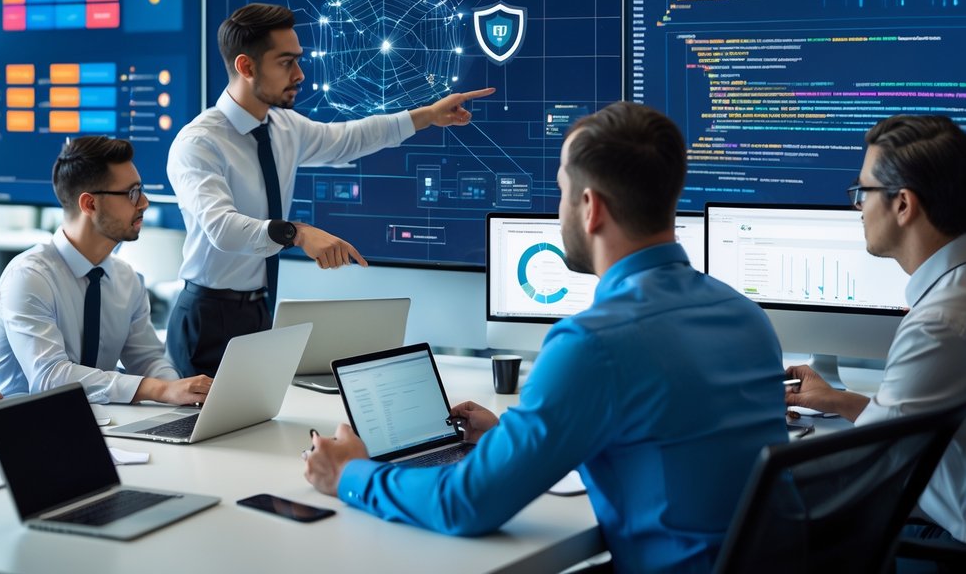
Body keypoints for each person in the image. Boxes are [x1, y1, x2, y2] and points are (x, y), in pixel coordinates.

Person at [302, 102, 787, 573]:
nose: (558, 212)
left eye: (560, 192)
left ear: (591, 207)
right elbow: (664, 441)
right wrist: (512, 439)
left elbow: (464, 504)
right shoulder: (745, 315)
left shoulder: (593, 343)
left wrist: (349, 475)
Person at [166, 2, 494, 376]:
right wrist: (298, 233)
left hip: (259, 309)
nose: (300, 74)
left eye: (298, 60)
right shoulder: (199, 143)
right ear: (246, 67)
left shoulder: (284, 127)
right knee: (196, 430)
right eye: (286, 62)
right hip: (207, 318)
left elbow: (350, 138)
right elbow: (221, 227)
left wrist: (428, 116)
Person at [785, 115, 966, 559]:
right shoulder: (953, 294)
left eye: (863, 192)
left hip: (947, 534)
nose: (857, 206)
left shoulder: (937, 324)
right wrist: (838, 401)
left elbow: (873, 463)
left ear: (903, 204)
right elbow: (911, 427)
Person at [0, 136, 211, 405]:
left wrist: (183, 393)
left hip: (103, 424)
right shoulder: (29, 277)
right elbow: (50, 377)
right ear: (89, 204)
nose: (144, 203)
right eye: (132, 193)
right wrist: (157, 390)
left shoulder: (127, 279)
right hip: (22, 428)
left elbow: (148, 360)